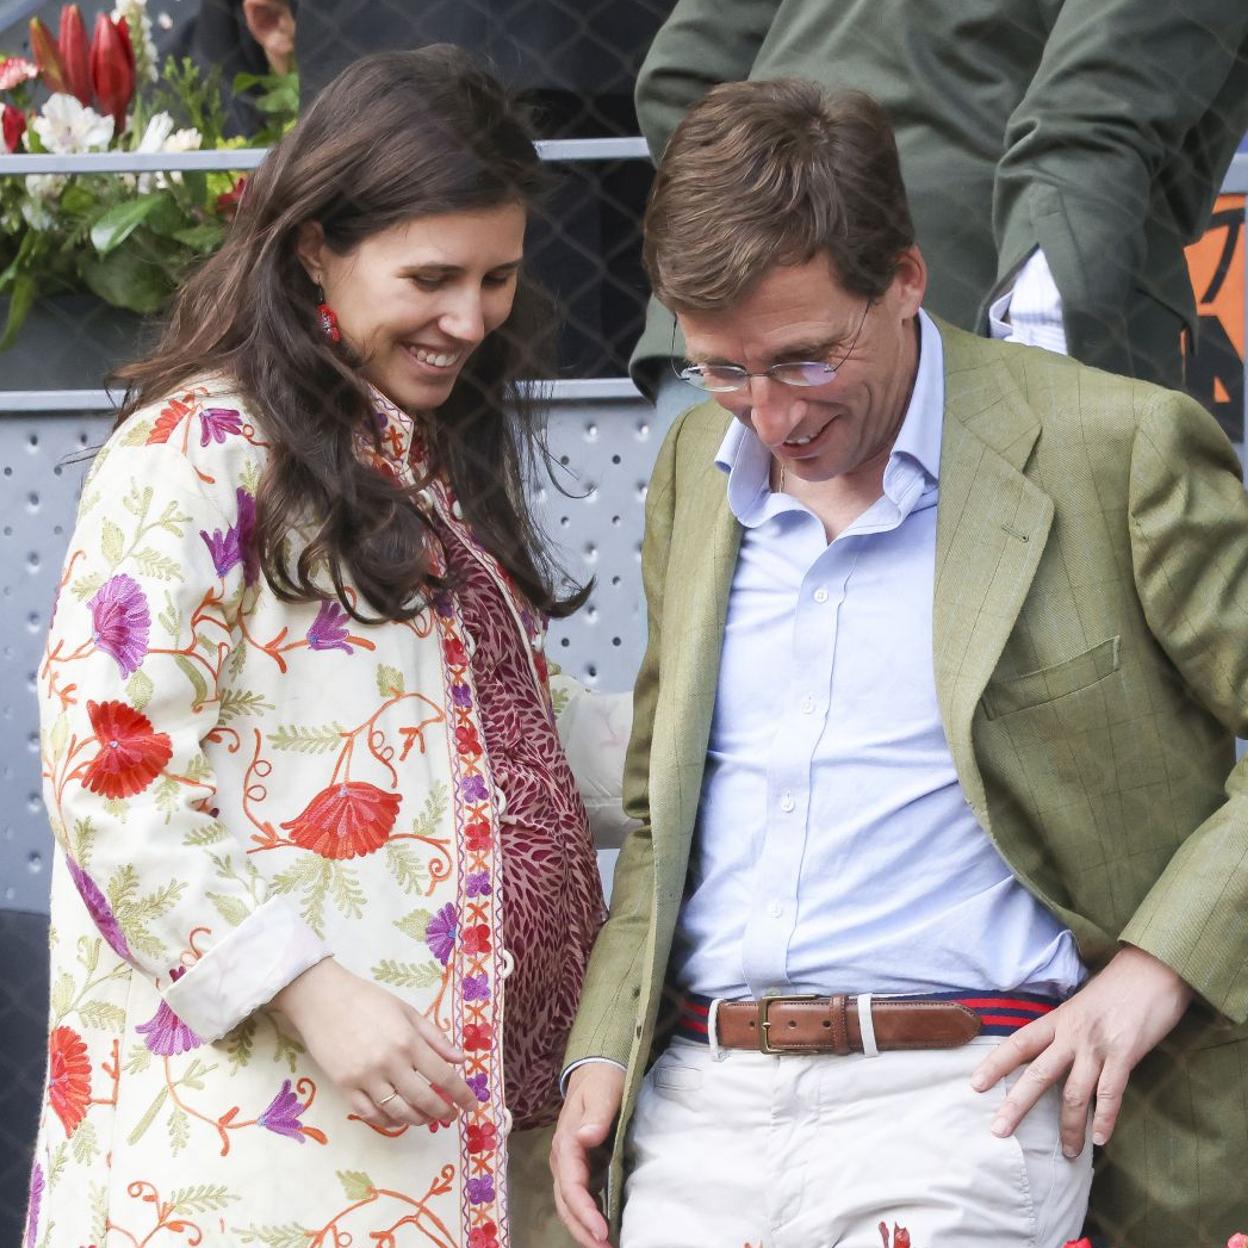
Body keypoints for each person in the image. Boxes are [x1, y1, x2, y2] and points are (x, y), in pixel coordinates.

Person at [551, 80, 1248, 1248]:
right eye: (723, 368)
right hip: (701, 1108)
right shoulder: (691, 469)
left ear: (907, 279)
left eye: (806, 359)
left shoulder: (1113, 450)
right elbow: (658, 818)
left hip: (969, 1093)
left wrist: (1156, 966)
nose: (769, 416)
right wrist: (604, 1045)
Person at [23, 45, 611, 1248]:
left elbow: (530, 739)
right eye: (433, 276)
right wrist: (307, 988)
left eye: (498, 279)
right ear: (312, 251)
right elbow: (109, 777)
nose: (470, 319)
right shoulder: (192, 449)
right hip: (268, 1170)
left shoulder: (415, 461)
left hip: (479, 1152)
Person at [628, 0, 1248, 420]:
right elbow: (1091, 131)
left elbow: (681, 74)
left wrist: (753, 242)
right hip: (966, 337)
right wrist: (1047, 386)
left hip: (714, 354)